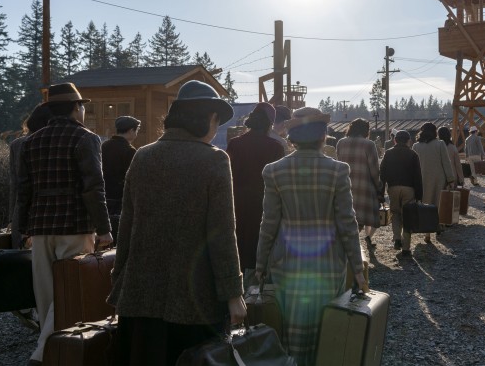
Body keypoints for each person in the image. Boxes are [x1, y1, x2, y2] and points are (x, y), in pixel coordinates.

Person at [107, 81, 247, 365]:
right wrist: (233, 293)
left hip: (140, 294)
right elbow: (222, 233)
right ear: (208, 118)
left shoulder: (143, 156)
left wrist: (118, 282)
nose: (216, 128)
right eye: (216, 121)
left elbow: (127, 226)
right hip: (195, 297)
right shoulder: (214, 159)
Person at [254, 107, 366, 366]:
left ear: (292, 138)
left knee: (291, 327)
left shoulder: (274, 171)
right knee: (326, 326)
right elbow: (347, 223)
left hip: (286, 264)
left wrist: (260, 266)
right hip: (329, 264)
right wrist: (358, 270)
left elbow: (268, 223)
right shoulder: (338, 170)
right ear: (323, 136)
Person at [17, 83, 113, 365]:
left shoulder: (31, 141)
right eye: (82, 106)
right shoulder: (86, 138)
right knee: (69, 294)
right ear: (75, 108)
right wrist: (104, 228)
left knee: (47, 296)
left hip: (39, 225)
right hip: (75, 224)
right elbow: (93, 187)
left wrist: (22, 228)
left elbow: (23, 190)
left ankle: (49, 351)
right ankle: (44, 354)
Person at [226, 102, 284, 289]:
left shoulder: (235, 144)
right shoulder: (275, 147)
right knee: (258, 245)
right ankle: (255, 291)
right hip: (263, 204)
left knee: (238, 246)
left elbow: (229, 176)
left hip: (237, 203)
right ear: (270, 124)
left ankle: (236, 288)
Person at [9, 104, 52, 250]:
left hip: (21, 214)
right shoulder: (51, 142)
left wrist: (11, 218)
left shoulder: (17, 144)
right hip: (46, 213)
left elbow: (15, 185)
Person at [336, 118, 384, 249]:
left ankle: (348, 246)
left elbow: (338, 162)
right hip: (363, 186)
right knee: (360, 220)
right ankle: (352, 247)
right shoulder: (369, 144)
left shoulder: (341, 143)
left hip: (344, 186)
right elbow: (374, 169)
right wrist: (379, 187)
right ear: (366, 130)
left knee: (347, 218)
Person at [380, 130, 423, 257]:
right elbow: (418, 176)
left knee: (395, 214)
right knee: (407, 216)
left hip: (393, 188)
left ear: (395, 140)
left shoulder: (388, 153)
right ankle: (406, 247)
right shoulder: (413, 154)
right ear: (408, 141)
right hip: (409, 189)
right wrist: (419, 195)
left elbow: (382, 174)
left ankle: (397, 238)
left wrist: (380, 193)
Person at [412, 122, 456, 243]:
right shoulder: (440, 144)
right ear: (434, 132)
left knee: (424, 205)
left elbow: (412, 165)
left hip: (421, 179)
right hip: (438, 179)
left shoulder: (416, 146)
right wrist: (451, 179)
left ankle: (427, 232)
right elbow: (446, 162)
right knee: (437, 204)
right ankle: (437, 226)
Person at [101, 115, 141, 242]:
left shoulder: (103, 146)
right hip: (120, 199)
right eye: (136, 130)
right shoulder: (130, 151)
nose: (136, 134)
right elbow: (133, 178)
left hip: (103, 197)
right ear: (131, 130)